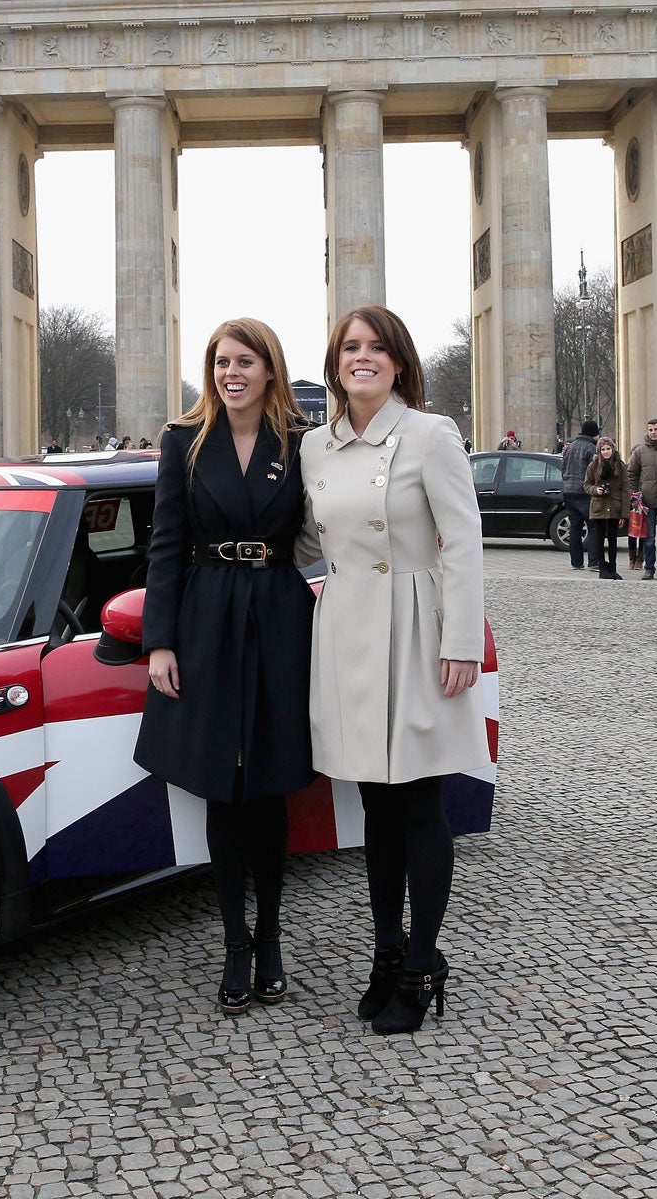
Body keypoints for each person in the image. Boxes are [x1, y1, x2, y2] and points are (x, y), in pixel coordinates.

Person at [302, 304, 486, 1036]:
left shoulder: (430, 435)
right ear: (336, 362)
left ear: (400, 362)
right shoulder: (316, 446)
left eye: (377, 347)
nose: (363, 357)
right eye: (351, 347)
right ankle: (386, 952)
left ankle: (422, 961)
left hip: (415, 627)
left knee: (418, 804)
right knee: (373, 808)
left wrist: (461, 640)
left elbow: (462, 543)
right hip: (347, 628)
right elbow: (307, 543)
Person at [137, 319, 315, 1016]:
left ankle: (270, 937)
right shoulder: (183, 441)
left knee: (269, 789)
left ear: (270, 369)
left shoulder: (303, 446)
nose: (231, 374)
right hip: (205, 615)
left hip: (276, 612)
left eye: (245, 362)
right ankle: (235, 943)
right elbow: (165, 545)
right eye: (220, 363)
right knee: (221, 788)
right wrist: (160, 641)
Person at [626, 419, 657, 580]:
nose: (653, 432)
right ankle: (649, 568)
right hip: (647, 502)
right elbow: (631, 474)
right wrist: (634, 496)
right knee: (649, 538)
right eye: (651, 430)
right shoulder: (640, 451)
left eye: (656, 429)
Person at [584, 433, 629, 579]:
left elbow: (625, 489)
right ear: (599, 451)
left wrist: (624, 513)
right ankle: (602, 567)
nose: (606, 452)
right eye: (603, 449)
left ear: (613, 449)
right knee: (599, 538)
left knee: (613, 539)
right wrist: (596, 490)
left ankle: (613, 567)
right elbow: (586, 484)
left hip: (615, 506)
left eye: (608, 448)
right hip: (599, 506)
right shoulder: (594, 465)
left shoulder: (620, 466)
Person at [560, 421, 600, 572]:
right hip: (584, 493)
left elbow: (562, 468)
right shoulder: (591, 448)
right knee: (593, 527)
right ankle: (594, 562)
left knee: (575, 528)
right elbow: (594, 472)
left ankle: (576, 562)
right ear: (593, 433)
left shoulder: (570, 448)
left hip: (569, 491)